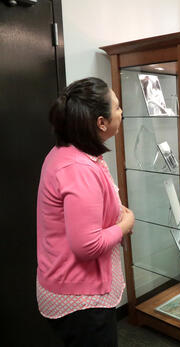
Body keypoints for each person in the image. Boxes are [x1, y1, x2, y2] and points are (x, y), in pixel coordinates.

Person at [36, 77, 135, 346]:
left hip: (71, 288)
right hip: (81, 301)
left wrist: (114, 211)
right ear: (101, 122)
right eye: (116, 107)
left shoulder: (69, 153)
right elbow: (87, 245)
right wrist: (126, 224)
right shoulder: (78, 168)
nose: (121, 112)